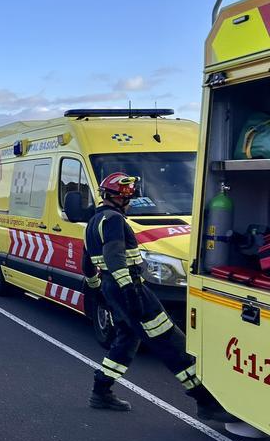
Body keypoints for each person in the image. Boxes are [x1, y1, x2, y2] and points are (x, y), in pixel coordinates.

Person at [82, 172, 236, 422]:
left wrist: (97, 289)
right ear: (119, 197)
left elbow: (87, 264)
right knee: (170, 340)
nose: (130, 199)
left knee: (127, 338)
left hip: (112, 287)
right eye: (128, 195)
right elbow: (114, 256)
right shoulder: (114, 221)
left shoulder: (93, 222)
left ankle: (101, 391)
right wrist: (129, 290)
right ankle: (205, 402)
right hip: (130, 287)